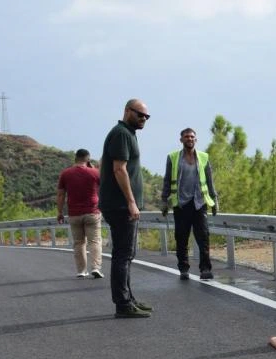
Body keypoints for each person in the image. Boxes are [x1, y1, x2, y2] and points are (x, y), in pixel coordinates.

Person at [99, 99, 152, 319]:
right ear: (127, 111)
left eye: (146, 117)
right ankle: (123, 304)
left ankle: (128, 298)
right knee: (123, 254)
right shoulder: (121, 133)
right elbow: (119, 169)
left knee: (127, 253)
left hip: (120, 204)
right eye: (140, 115)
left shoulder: (127, 133)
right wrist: (131, 202)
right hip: (120, 205)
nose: (143, 119)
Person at [161, 128, 218, 280]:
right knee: (181, 238)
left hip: (199, 203)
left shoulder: (204, 157)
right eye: (186, 137)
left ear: (196, 140)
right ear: (181, 140)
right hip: (181, 203)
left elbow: (209, 180)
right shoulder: (173, 157)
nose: (190, 139)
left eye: (192, 137)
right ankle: (184, 268)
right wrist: (164, 200)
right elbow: (167, 180)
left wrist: (214, 200)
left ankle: (205, 269)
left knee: (203, 237)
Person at [56, 149, 103, 279]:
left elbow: (60, 194)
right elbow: (103, 188)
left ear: (75, 158)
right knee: (94, 241)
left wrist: (60, 212)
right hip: (92, 212)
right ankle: (96, 268)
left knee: (78, 242)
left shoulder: (65, 174)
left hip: (74, 214)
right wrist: (94, 169)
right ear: (87, 159)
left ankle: (82, 270)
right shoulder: (94, 173)